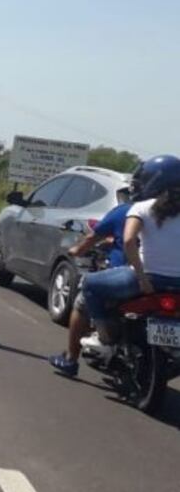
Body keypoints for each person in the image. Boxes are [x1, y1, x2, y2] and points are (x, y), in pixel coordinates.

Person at [81, 155, 180, 346]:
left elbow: (128, 241)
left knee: (89, 284)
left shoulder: (141, 207)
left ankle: (103, 336)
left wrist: (142, 278)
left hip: (146, 280)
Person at [48, 183, 134, 376]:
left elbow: (93, 238)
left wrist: (77, 250)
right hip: (169, 283)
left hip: (130, 276)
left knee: (83, 298)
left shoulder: (130, 211)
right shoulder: (169, 216)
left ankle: (70, 359)